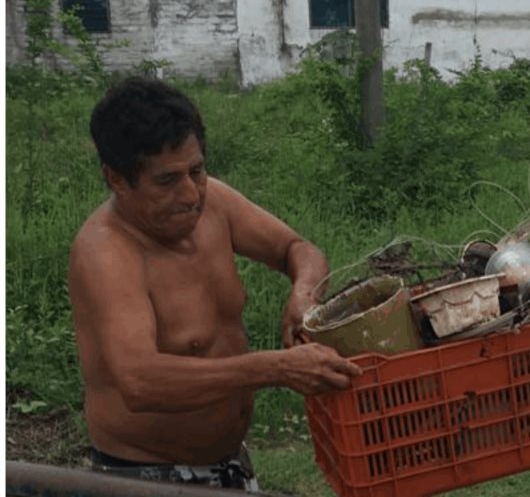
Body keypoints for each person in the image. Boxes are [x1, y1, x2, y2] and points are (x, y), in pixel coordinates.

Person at [69, 78, 362, 490]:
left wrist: (304, 293)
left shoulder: (215, 204)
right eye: (167, 181)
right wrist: (276, 367)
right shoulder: (105, 254)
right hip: (145, 478)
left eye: (197, 170)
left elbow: (297, 248)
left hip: (229, 463)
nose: (191, 194)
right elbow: (139, 382)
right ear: (117, 179)